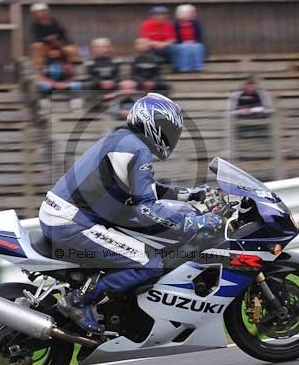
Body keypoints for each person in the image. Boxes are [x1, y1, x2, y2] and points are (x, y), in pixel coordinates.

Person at [39, 93, 224, 332]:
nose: (172, 137)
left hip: (66, 217)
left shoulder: (125, 140)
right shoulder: (138, 150)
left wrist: (190, 195)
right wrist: (192, 221)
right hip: (71, 223)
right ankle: (79, 300)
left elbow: (144, 190)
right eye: (168, 129)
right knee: (149, 262)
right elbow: (146, 208)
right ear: (153, 124)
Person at [30, 2, 78, 72]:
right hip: (45, 47)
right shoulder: (34, 25)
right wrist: (46, 39)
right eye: (38, 12)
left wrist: (61, 42)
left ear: (47, 12)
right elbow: (36, 39)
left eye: (43, 11)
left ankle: (76, 70)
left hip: (59, 44)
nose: (41, 14)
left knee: (72, 49)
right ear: (34, 14)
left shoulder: (55, 22)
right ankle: (38, 71)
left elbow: (64, 35)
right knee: (36, 46)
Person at [36, 43, 83, 113]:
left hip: (64, 84)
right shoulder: (45, 63)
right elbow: (42, 77)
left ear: (60, 52)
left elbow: (72, 77)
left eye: (56, 50)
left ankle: (76, 108)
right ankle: (45, 108)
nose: (54, 52)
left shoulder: (66, 62)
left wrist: (65, 84)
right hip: (51, 85)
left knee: (77, 85)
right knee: (42, 85)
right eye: (52, 50)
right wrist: (53, 84)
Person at [172, 4, 206, 73]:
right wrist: (183, 42)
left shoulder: (196, 23)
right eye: (191, 13)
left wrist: (194, 41)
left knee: (198, 47)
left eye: (193, 12)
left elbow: (199, 37)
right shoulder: (175, 24)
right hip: (179, 43)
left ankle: (198, 67)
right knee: (184, 48)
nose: (193, 14)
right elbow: (174, 37)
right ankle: (184, 68)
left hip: (193, 42)